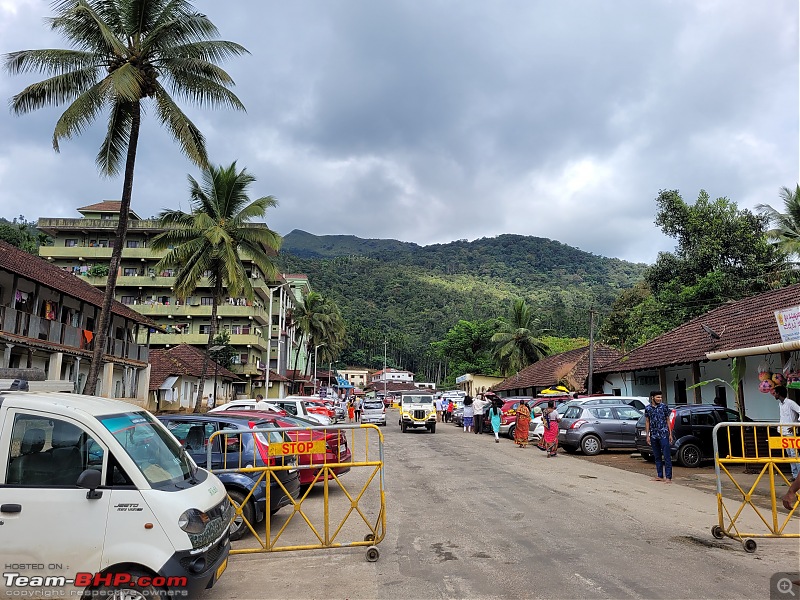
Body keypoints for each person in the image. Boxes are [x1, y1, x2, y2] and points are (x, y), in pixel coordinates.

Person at [771, 385, 800, 482]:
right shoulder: (780, 404)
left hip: (790, 432)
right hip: (783, 431)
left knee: (794, 454)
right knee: (789, 454)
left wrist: (796, 425)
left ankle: (798, 476)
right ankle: (795, 475)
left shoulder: (790, 403)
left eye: (775, 393)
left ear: (779, 393)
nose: (773, 395)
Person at [644, 390, 674, 482]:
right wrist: (648, 435)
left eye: (660, 397)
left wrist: (670, 434)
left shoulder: (664, 407)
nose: (659, 399)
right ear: (652, 397)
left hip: (664, 434)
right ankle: (659, 475)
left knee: (666, 455)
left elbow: (668, 420)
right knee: (657, 456)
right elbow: (647, 421)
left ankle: (668, 477)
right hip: (654, 435)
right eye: (657, 397)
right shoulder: (648, 408)